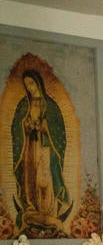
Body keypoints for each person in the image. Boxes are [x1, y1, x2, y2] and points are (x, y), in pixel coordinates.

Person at [11, 70, 73, 235]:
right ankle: (31, 210)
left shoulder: (50, 106)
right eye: (26, 85)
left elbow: (59, 131)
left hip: (45, 148)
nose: (29, 88)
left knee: (44, 181)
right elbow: (16, 127)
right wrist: (26, 125)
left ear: (38, 83)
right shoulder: (24, 104)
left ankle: (48, 213)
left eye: (31, 83)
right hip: (29, 148)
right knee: (29, 178)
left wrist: (44, 126)